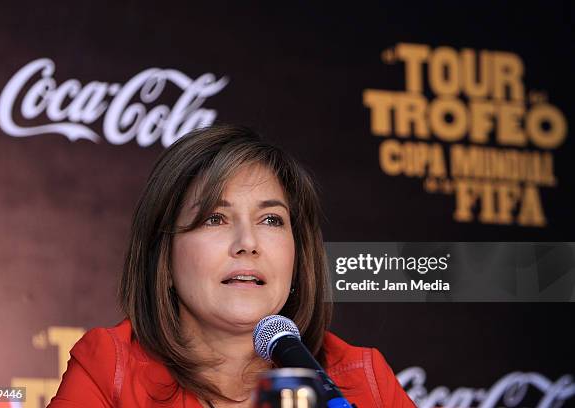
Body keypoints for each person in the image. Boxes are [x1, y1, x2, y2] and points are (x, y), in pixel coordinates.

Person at [48, 125, 414, 408]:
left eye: (271, 220)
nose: (248, 244)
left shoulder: (363, 378)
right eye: (215, 219)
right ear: (165, 259)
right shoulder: (110, 369)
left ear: (298, 255)